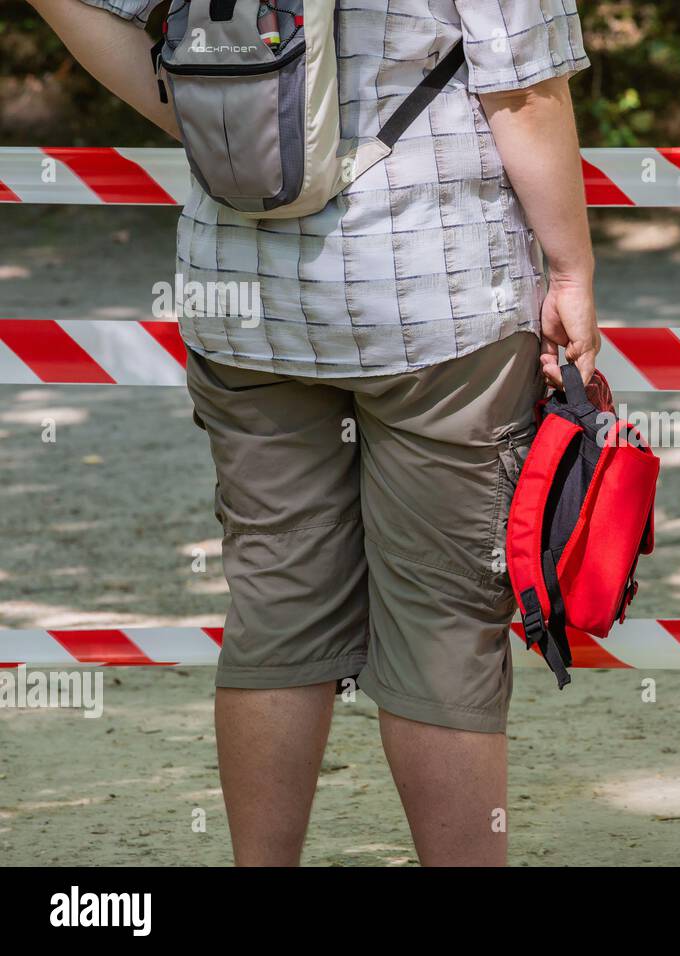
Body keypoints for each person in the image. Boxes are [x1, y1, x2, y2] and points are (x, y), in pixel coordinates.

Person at [28, 0, 599, 867]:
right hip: (434, 300)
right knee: (444, 624)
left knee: (276, 612)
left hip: (243, 299)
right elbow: (524, 89)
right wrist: (572, 269)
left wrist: (222, 123)